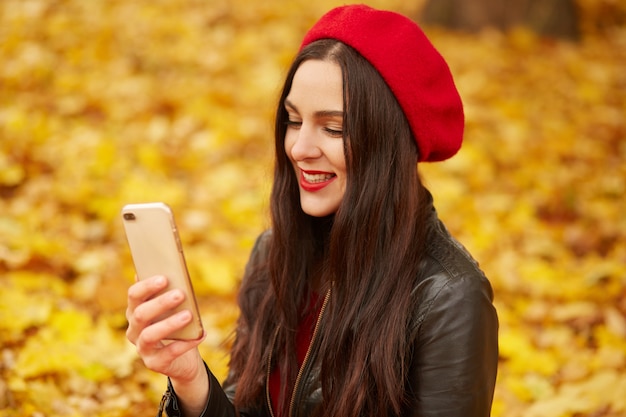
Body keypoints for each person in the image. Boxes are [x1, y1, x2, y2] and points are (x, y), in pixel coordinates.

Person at [125, 5, 499, 417]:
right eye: (293, 120)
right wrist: (190, 379)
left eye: (333, 128)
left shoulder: (448, 298)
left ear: (389, 141)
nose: (299, 149)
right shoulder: (274, 253)